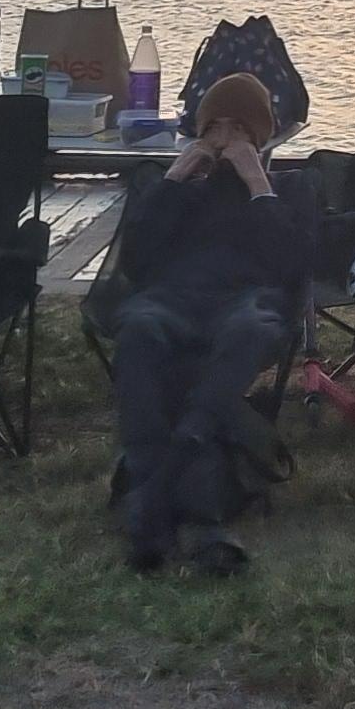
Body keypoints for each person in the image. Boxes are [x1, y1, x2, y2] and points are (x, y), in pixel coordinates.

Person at [105, 73, 316, 576]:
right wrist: (175, 178)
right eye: (213, 128)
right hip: (170, 297)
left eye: (238, 128)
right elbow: (134, 260)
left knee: (251, 330)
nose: (223, 139)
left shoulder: (287, 188)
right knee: (137, 327)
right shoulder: (179, 190)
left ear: (260, 137)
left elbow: (294, 266)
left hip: (245, 299)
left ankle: (158, 485)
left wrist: (257, 184)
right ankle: (195, 514)